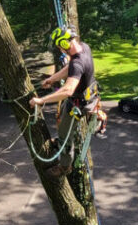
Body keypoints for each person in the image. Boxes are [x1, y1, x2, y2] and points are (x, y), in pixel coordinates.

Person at [29, 26, 105, 171]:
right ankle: (63, 145)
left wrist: (41, 100)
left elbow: (68, 90)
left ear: (64, 44)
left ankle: (65, 166)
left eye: (59, 46)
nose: (59, 49)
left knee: (64, 134)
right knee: (62, 114)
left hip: (79, 104)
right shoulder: (84, 48)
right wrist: (52, 78)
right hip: (86, 96)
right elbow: (70, 68)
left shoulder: (77, 63)